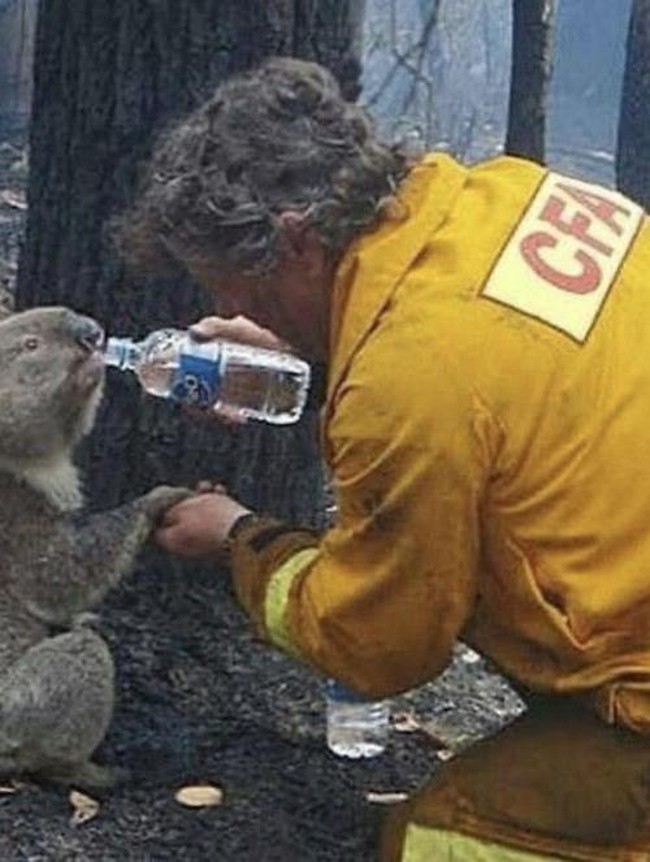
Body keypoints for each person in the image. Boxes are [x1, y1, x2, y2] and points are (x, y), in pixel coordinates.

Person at [113, 57, 650, 861]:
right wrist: (319, 354)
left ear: (296, 242)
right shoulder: (509, 195)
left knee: (433, 844)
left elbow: (380, 643)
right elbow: (494, 391)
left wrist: (241, 539)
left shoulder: (410, 379)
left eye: (241, 293)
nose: (230, 311)